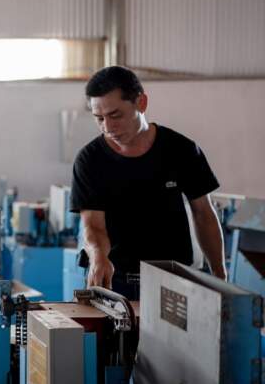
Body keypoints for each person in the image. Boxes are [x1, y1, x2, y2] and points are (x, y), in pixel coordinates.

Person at [70, 66, 226, 300]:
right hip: (115, 281)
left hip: (174, 280)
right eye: (99, 118)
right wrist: (98, 256)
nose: (108, 127)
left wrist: (219, 276)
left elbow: (203, 214)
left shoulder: (181, 150)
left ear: (141, 103)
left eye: (115, 115)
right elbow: (94, 226)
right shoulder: (90, 160)